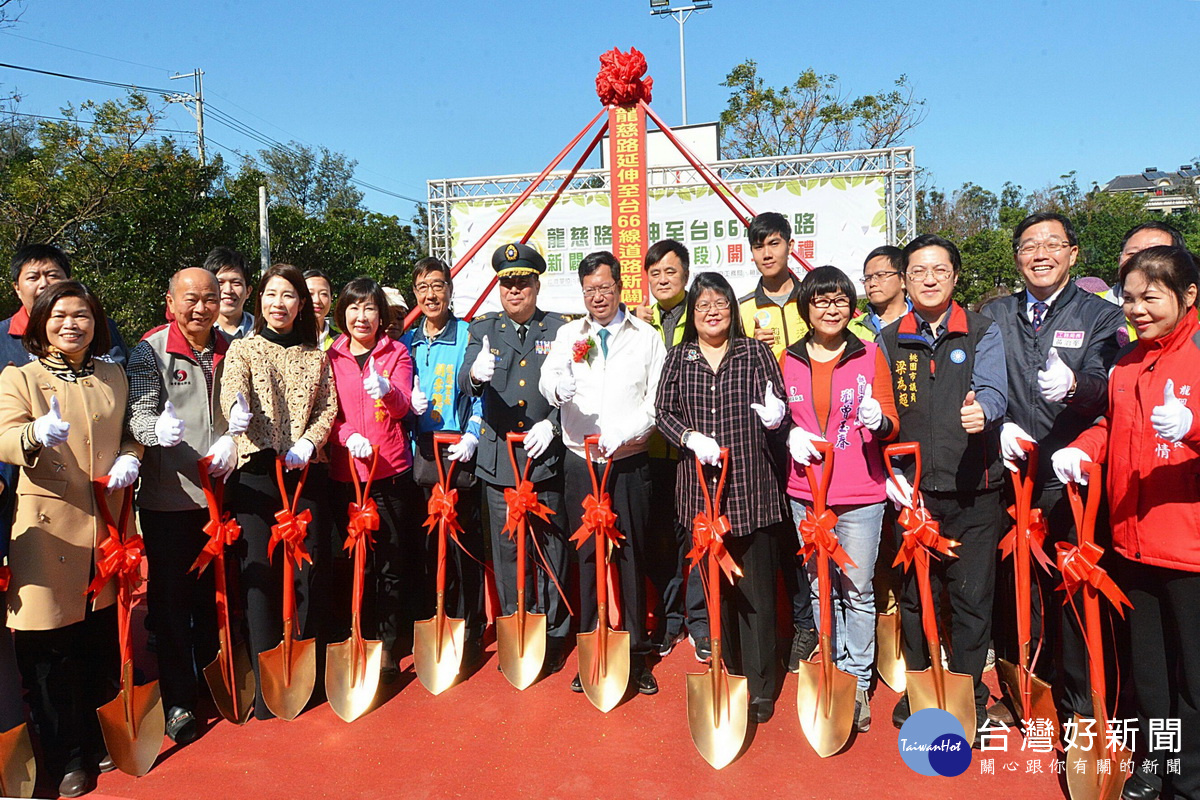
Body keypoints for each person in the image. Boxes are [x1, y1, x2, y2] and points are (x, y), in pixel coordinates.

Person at [1054, 245, 1200, 800]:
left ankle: (1188, 781)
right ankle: (1154, 766)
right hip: (1133, 541)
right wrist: (1084, 448)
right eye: (1130, 298)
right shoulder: (1126, 364)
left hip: (1189, 545)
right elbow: (1114, 429)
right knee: (1150, 670)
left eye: (1151, 298)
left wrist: (1194, 425)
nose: (1137, 309)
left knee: (1194, 675)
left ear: (1188, 296)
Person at [979, 212, 1125, 725]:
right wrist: (994, 423)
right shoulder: (995, 314)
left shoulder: (1101, 317)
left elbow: (1111, 387)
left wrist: (1075, 387)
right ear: (1016, 256)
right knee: (1015, 592)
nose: (1040, 253)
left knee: (1074, 593)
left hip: (1072, 483)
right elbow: (978, 383)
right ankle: (1024, 693)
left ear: (1073, 254)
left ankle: (1080, 705)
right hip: (1010, 476)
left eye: (1052, 244)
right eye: (1029, 245)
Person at [0, 280, 142, 797]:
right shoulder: (21, 378)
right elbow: (4, 435)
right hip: (46, 531)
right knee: (48, 648)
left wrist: (133, 454)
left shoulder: (113, 375)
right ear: (41, 323)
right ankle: (65, 755)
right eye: (59, 315)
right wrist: (34, 436)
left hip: (106, 527)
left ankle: (98, 736)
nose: (71, 324)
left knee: (98, 641)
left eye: (81, 315)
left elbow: (131, 430)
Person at [877, 234, 1008, 744]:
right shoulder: (888, 340)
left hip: (975, 488)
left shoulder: (981, 332)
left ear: (955, 277)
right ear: (905, 280)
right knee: (914, 598)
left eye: (939, 270)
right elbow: (885, 416)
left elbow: (994, 388)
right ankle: (920, 689)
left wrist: (986, 411)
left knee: (972, 597)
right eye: (918, 271)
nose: (928, 279)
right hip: (913, 496)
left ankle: (969, 692)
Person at [654, 270, 790, 722]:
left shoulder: (755, 352)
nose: (712, 312)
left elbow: (780, 407)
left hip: (752, 488)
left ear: (733, 309)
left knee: (756, 592)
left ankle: (762, 684)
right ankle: (729, 671)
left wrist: (777, 417)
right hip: (701, 494)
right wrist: (689, 436)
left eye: (721, 304)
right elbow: (662, 412)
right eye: (703, 306)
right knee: (717, 591)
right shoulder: (679, 357)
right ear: (692, 315)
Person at [539, 250, 666, 695]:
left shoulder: (646, 338)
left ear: (619, 288)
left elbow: (658, 402)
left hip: (628, 461)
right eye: (589, 289)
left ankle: (636, 656)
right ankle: (591, 650)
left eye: (605, 288)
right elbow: (547, 377)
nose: (597, 296)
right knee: (588, 558)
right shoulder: (569, 334)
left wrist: (627, 431)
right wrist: (555, 387)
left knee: (630, 558)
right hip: (582, 461)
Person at [782, 266, 900, 732]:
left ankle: (857, 679)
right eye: (820, 301)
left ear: (851, 308)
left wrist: (877, 419)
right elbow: (774, 420)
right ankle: (829, 662)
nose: (830, 310)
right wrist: (787, 432)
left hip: (859, 492)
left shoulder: (869, 354)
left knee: (858, 587)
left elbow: (891, 421)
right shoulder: (787, 358)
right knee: (818, 585)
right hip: (805, 491)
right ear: (807, 309)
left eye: (839, 301)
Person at [126, 268, 238, 745]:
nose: (201, 308)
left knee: (216, 598)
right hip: (169, 498)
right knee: (171, 605)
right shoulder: (149, 350)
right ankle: (177, 700)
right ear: (170, 301)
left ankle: (219, 681)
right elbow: (138, 416)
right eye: (190, 299)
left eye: (210, 298)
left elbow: (246, 404)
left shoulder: (234, 349)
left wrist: (235, 436)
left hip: (225, 497)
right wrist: (156, 433)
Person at [220, 263, 337, 720]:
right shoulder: (244, 350)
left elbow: (328, 406)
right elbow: (235, 390)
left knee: (310, 570)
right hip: (258, 471)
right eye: (271, 294)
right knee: (260, 571)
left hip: (305, 470)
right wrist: (237, 413)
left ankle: (306, 670)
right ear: (259, 300)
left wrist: (310, 440)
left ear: (301, 304)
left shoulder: (316, 354)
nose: (278, 303)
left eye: (288, 295)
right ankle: (268, 678)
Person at [462, 243, 571, 673]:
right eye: (507, 283)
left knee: (550, 550)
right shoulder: (483, 330)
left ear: (536, 285)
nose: (514, 290)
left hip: (544, 455)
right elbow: (465, 381)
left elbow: (572, 391)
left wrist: (556, 424)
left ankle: (555, 633)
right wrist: (474, 374)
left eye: (522, 283)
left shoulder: (560, 328)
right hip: (500, 459)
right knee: (507, 552)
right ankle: (515, 626)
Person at [735, 212, 817, 668]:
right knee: (778, 537)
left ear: (790, 246)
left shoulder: (814, 299)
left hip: (811, 433)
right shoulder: (742, 309)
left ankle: (810, 626)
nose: (767, 253)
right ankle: (785, 625)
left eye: (774, 244)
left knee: (810, 535)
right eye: (758, 246)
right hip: (762, 439)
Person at [326, 278, 413, 682]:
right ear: (342, 312)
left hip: (389, 471)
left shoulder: (397, 352)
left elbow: (403, 407)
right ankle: (353, 635)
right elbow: (328, 415)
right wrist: (347, 436)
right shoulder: (331, 356)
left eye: (370, 309)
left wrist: (387, 390)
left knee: (390, 562)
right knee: (352, 562)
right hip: (346, 474)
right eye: (354, 308)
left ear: (381, 316)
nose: (362, 317)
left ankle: (388, 646)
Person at [399, 258, 486, 667]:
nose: (430, 295)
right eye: (422, 288)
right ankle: (439, 620)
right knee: (432, 545)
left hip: (461, 452)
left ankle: (470, 630)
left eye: (437, 285)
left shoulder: (469, 334)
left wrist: (473, 434)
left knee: (463, 546)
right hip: (424, 453)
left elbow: (481, 392)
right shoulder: (409, 341)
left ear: (450, 289)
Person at [632, 239, 708, 659]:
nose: (662, 280)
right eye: (655, 273)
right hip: (650, 450)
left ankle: (699, 623)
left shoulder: (701, 316)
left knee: (694, 541)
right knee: (659, 540)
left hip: (690, 449)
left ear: (686, 275)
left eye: (670, 272)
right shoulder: (636, 322)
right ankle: (668, 621)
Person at [1, 244, 128, 367]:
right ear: (17, 288)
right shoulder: (3, 337)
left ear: (69, 282)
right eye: (33, 278)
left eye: (53, 276)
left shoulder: (102, 327)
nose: (44, 284)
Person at [204, 247, 256, 340]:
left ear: (248, 291)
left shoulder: (263, 331)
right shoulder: (198, 332)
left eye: (236, 283)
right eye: (220, 283)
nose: (228, 290)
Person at [861, 245, 911, 335]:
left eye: (880, 275)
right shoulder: (854, 328)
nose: (872, 283)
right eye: (867, 278)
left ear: (903, 280)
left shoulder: (926, 322)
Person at [304, 269, 337, 351]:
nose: (317, 300)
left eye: (324, 294)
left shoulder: (343, 340)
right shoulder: (285, 337)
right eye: (310, 294)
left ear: (331, 298)